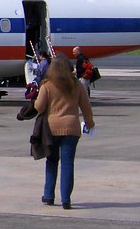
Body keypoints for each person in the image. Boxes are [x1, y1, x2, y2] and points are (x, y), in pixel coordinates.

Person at [33, 53, 95, 209]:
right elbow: (86, 107)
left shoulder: (47, 85)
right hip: (72, 128)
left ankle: (48, 195)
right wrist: (89, 123)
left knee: (52, 161)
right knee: (68, 163)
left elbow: (39, 107)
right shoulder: (76, 85)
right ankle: (66, 199)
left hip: (51, 129)